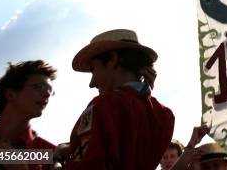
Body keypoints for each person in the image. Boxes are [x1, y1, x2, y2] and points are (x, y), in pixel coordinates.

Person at [63, 28, 175, 169]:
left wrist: (52, 160)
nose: (92, 83)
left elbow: (85, 165)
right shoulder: (165, 115)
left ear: (112, 59)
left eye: (93, 70)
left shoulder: (102, 105)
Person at [0, 60, 57, 170]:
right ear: (10, 94)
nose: (47, 94)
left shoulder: (50, 154)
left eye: (50, 90)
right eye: (38, 86)